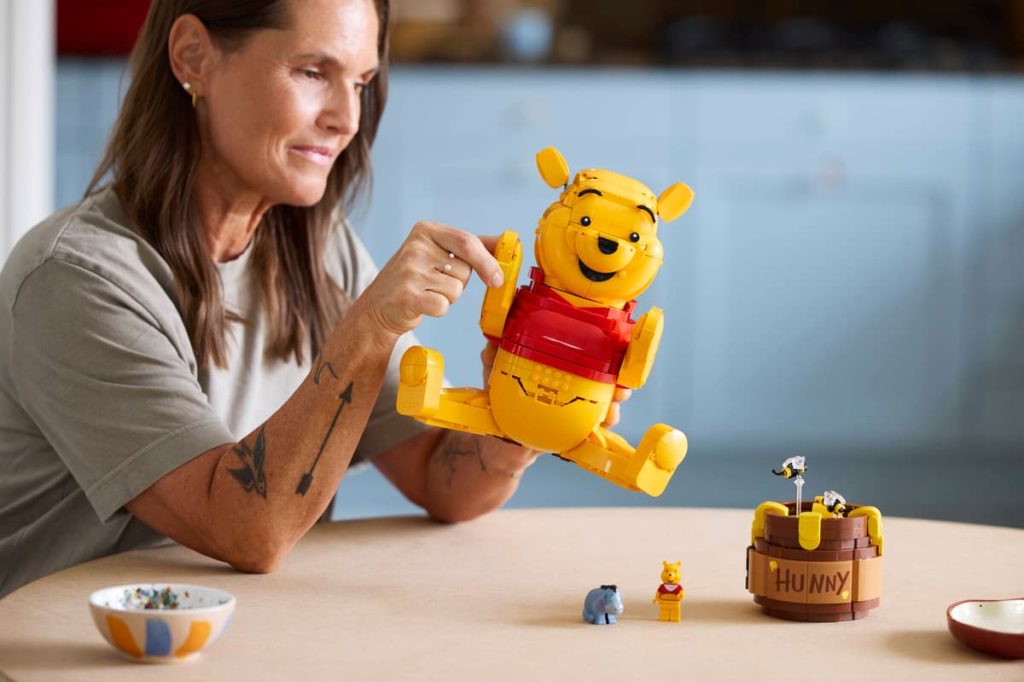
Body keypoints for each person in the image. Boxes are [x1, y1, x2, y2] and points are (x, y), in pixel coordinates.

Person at [0, 0, 629, 599]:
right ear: (194, 57)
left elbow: (443, 481)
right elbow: (247, 530)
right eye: (311, 71)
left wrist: (530, 411)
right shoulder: (76, 279)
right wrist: (369, 328)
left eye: (359, 83)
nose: (348, 119)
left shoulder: (318, 249)